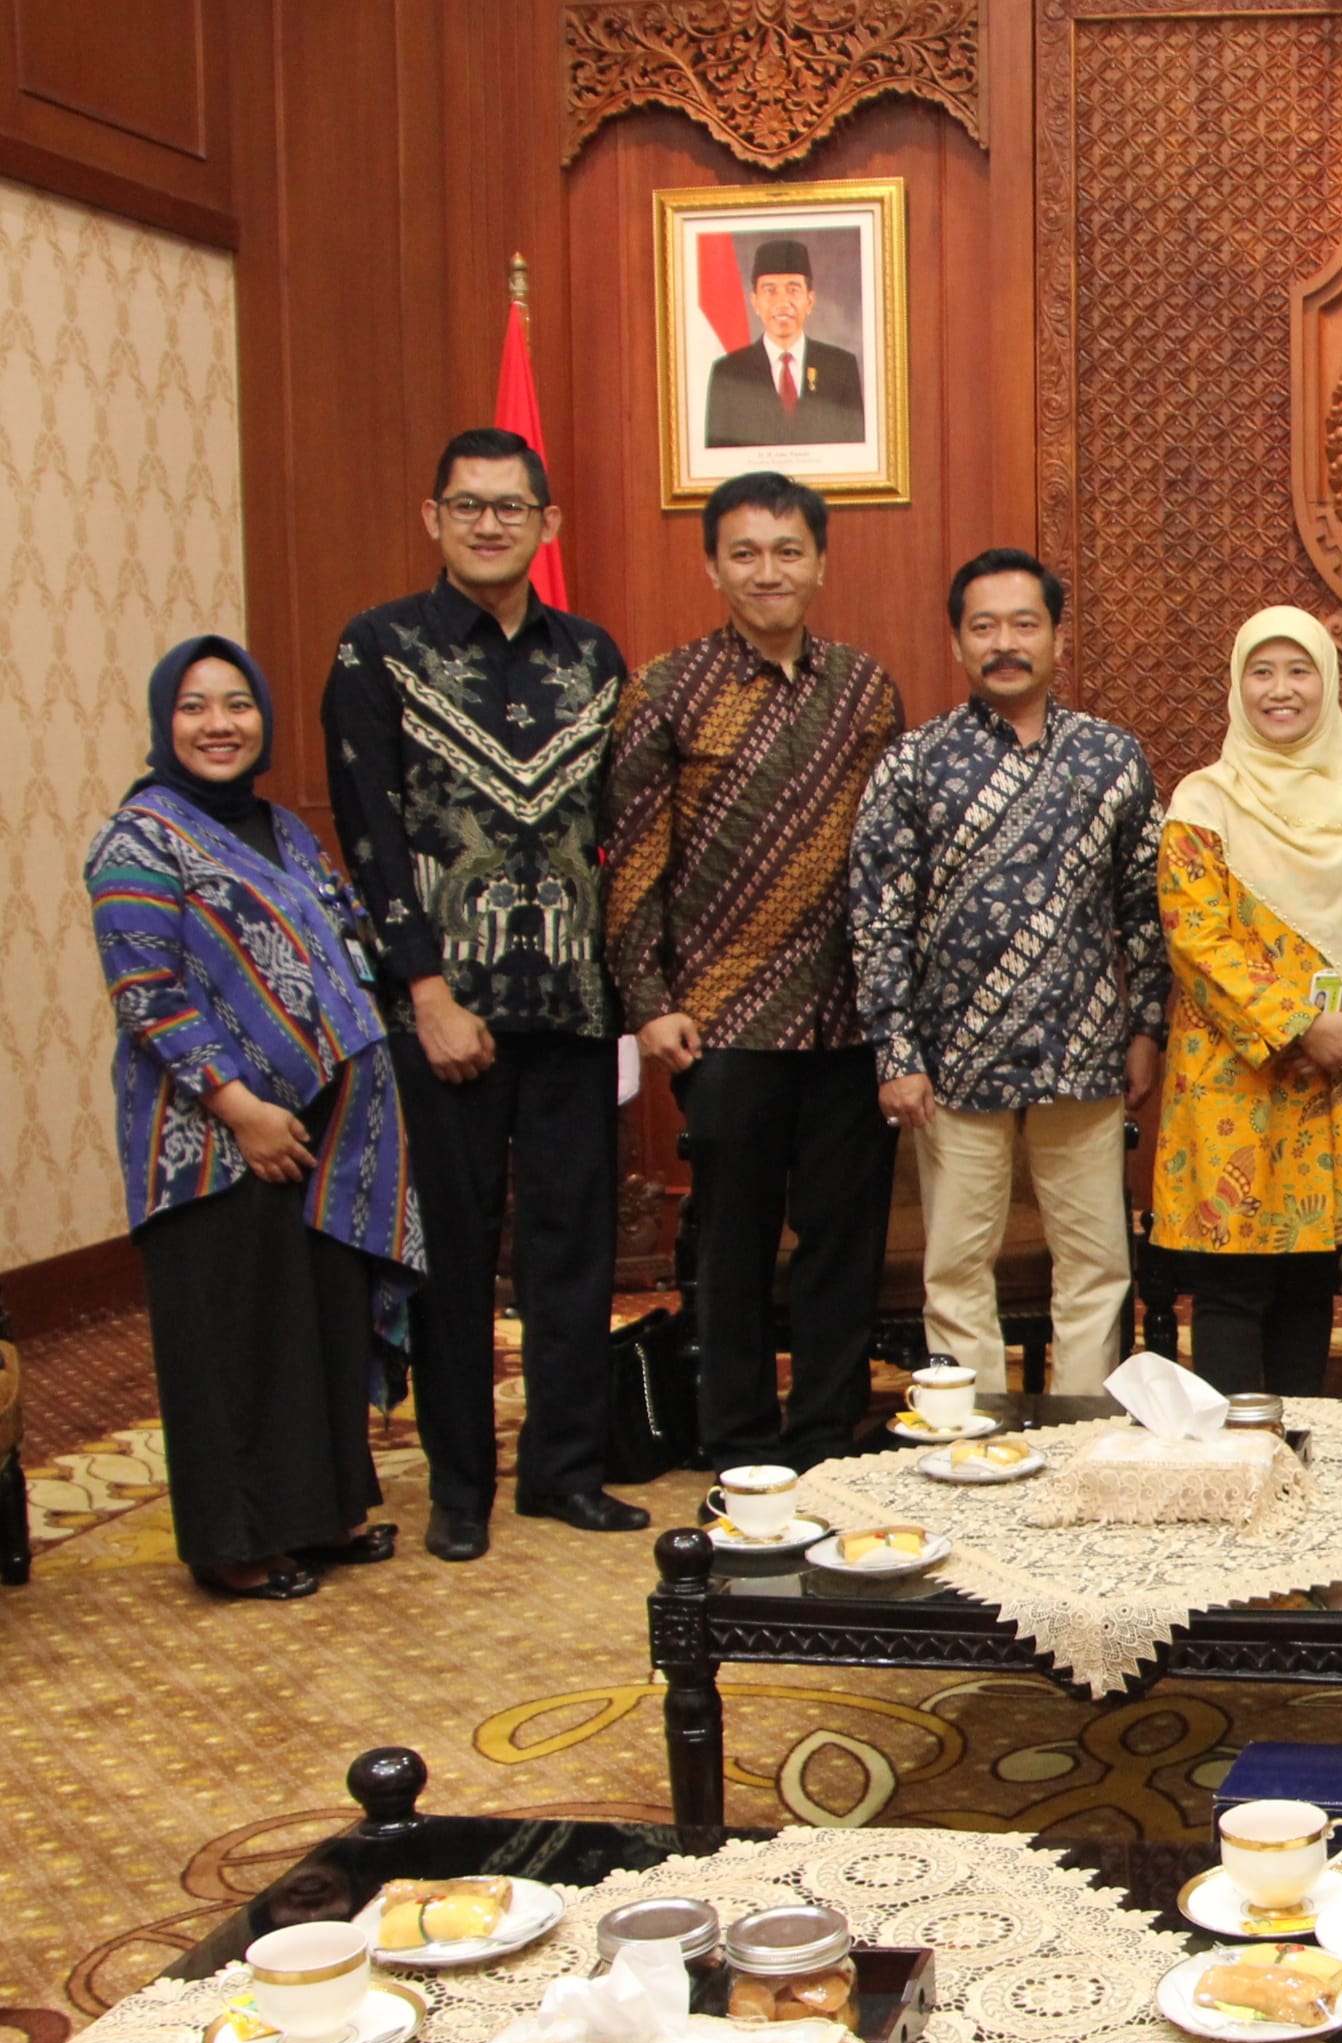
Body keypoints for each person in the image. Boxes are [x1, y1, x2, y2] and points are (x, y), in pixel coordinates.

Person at [324, 426, 643, 1560]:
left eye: (513, 506)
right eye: (469, 505)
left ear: (547, 524)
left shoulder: (595, 658)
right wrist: (423, 990)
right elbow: (369, 839)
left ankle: (563, 1471)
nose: (492, 522)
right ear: (434, 518)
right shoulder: (380, 651)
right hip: (445, 1015)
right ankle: (460, 1485)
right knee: (455, 1254)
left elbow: (620, 833)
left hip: (569, 1008)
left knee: (573, 1252)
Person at [86, 638, 424, 1599]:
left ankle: (314, 1517)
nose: (219, 724)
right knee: (230, 1337)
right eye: (194, 708)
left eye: (237, 704)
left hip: (322, 1131)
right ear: (165, 723)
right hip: (209, 1140)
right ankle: (235, 1541)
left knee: (306, 1324)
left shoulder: (287, 829)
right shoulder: (138, 840)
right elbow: (146, 993)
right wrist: (242, 1110)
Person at [603, 472, 906, 1472]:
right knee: (729, 1252)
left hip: (846, 1022)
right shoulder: (665, 689)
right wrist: (649, 1005)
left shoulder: (866, 689)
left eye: (786, 550)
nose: (767, 570)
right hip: (723, 1023)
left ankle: (822, 1438)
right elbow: (635, 858)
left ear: (820, 561)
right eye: (745, 552)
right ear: (712, 564)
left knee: (840, 1245)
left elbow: (892, 859)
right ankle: (737, 1445)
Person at [850, 547, 1163, 1397]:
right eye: (983, 626)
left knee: (1097, 1264)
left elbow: (1146, 908)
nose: (1005, 643)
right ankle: (973, 1443)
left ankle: (1084, 1434)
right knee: (956, 1266)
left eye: (1024, 623)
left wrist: (1147, 1030)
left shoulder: (1111, 758)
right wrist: (896, 1053)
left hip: (1084, 1053)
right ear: (957, 643)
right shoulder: (913, 765)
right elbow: (878, 920)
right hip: (954, 1063)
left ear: (1057, 636)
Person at [1148, 608, 1342, 1395]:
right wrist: (1303, 1024)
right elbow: (1195, 935)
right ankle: (1236, 1454)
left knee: (1312, 1270)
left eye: (1299, 671)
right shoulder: (1204, 800)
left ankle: (1297, 1439)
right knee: (1233, 1276)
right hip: (1238, 1076)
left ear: (1328, 683)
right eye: (1260, 672)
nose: (1280, 690)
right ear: (1237, 687)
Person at [705, 239, 866, 449]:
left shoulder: (841, 368)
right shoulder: (728, 373)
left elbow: (856, 453)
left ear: (810, 301)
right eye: (770, 291)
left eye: (793, 290)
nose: (782, 303)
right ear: (755, 302)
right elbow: (717, 459)